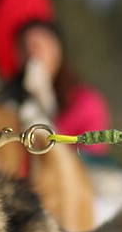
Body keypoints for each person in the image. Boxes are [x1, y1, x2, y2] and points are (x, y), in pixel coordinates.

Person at [15, 21, 111, 157]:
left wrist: (43, 102)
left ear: (57, 50)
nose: (31, 55)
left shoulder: (86, 102)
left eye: (37, 47)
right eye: (24, 48)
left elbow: (90, 157)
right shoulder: (9, 97)